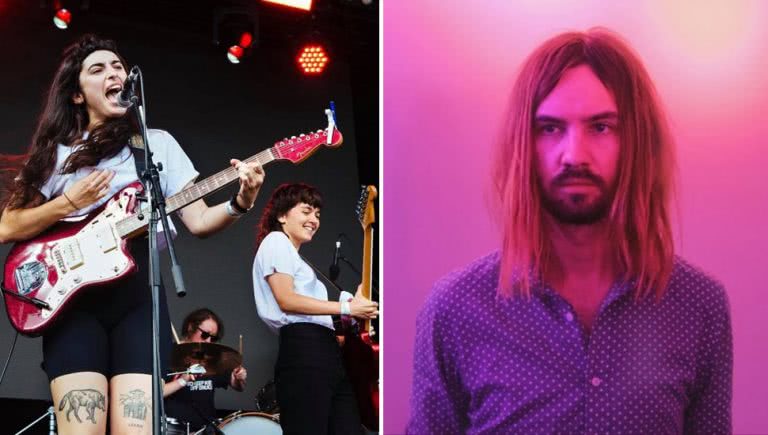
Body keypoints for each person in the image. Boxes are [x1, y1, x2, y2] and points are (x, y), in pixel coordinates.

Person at [408, 28, 732, 434]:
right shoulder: (455, 309)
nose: (574, 155)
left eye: (601, 127)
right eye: (550, 128)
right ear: (523, 143)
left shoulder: (698, 305)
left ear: (637, 140)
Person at [0, 34, 264, 435]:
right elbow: (7, 226)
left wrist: (241, 202)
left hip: (139, 294)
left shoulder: (156, 145)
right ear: (76, 95)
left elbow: (199, 222)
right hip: (75, 303)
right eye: (98, 69)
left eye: (118, 66)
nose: (114, 73)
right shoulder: (56, 154)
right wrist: (66, 204)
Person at [252, 183, 378, 435]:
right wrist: (346, 307)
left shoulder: (298, 260)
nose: (314, 220)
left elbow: (321, 313)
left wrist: (352, 310)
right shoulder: (276, 241)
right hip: (303, 349)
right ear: (281, 215)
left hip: (327, 352)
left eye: (318, 214)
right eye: (306, 211)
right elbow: (286, 300)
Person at [164, 308, 247, 433]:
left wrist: (239, 378)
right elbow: (156, 393)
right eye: (205, 335)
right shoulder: (170, 354)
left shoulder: (212, 358)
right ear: (191, 327)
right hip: (174, 429)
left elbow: (237, 386)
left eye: (213, 338)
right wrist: (183, 380)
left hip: (206, 429)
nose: (208, 341)